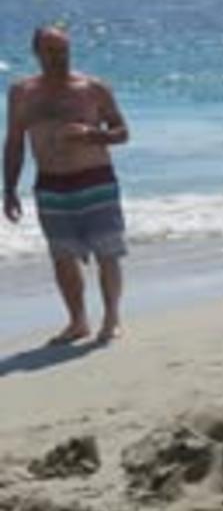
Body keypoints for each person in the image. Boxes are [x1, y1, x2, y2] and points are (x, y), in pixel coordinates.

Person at [4, 24, 131, 345]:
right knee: (62, 257)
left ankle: (111, 319)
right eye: (50, 51)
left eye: (63, 50)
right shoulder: (22, 92)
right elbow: (15, 142)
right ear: (36, 53)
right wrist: (8, 189)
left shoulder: (92, 88)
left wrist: (91, 135)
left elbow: (122, 132)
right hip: (50, 184)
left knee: (107, 253)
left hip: (95, 178)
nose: (58, 57)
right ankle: (77, 322)